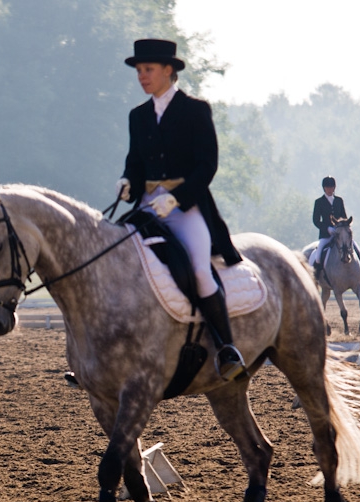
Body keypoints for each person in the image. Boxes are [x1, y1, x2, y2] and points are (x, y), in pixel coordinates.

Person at [115, 38, 246, 381]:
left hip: (185, 208)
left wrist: (177, 197)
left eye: (148, 70)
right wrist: (128, 181)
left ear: (168, 70)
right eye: (139, 71)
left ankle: (227, 347)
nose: (142, 76)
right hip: (146, 207)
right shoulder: (138, 116)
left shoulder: (195, 109)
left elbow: (207, 165)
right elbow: (135, 162)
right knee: (116, 261)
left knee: (201, 270)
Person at [310, 176, 360, 287]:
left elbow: (344, 216)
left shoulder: (339, 201)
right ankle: (314, 279)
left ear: (334, 188)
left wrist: (343, 228)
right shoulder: (319, 202)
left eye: (331, 187)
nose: (329, 190)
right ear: (324, 188)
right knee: (318, 255)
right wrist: (327, 229)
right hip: (326, 235)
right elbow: (316, 220)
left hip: (341, 235)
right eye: (327, 187)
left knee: (358, 252)